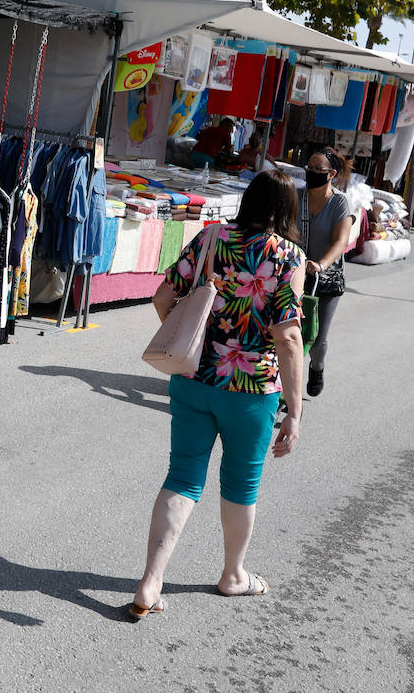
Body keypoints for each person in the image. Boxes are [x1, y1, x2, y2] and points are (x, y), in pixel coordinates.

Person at [130, 170, 306, 618]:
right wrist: (295, 411)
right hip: (251, 391)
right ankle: (233, 575)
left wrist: (194, 340)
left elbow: (162, 298)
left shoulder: (210, 239)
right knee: (242, 485)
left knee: (182, 477)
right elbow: (288, 337)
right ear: (287, 211)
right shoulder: (288, 256)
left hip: (194, 380)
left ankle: (150, 581)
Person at [298, 147, 355, 398]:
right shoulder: (297, 197)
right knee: (289, 334)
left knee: (317, 336)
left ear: (331, 174)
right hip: (296, 274)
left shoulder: (339, 202)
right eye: (308, 167)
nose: (311, 172)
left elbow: (340, 241)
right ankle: (285, 387)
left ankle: (317, 367)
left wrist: (320, 264)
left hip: (326, 278)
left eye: (317, 169)